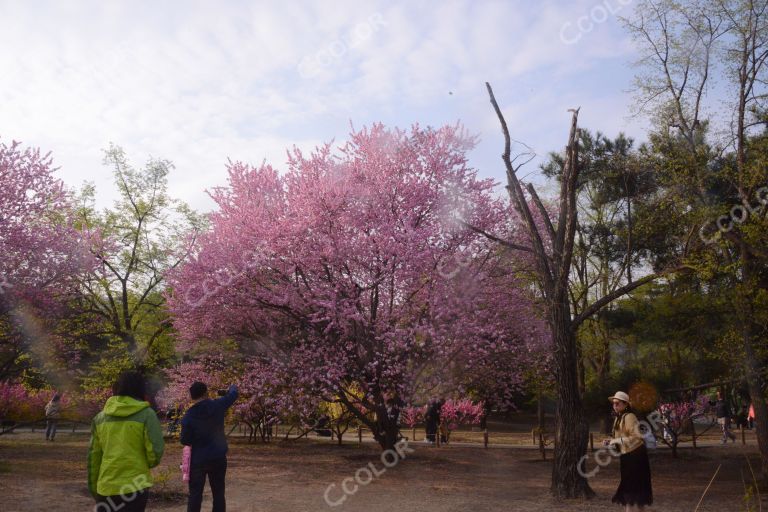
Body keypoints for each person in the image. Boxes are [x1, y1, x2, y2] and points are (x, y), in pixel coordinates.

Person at [88, 371, 165, 512]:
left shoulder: (99, 418)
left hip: (106, 487)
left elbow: (94, 457)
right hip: (135, 485)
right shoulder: (147, 415)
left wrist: (94, 487)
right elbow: (155, 452)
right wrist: (142, 464)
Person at [181, 382, 238, 512]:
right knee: (218, 493)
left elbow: (185, 440)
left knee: (195, 495)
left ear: (192, 397)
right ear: (206, 393)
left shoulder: (188, 416)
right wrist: (231, 388)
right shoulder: (218, 405)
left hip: (198, 460)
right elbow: (234, 394)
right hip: (218, 457)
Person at [603, 391, 653, 511]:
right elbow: (620, 437)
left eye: (617, 403)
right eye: (613, 403)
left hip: (636, 457)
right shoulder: (619, 418)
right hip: (627, 456)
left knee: (632, 490)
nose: (614, 406)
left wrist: (615, 441)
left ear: (625, 404)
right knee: (632, 490)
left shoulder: (629, 416)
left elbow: (636, 437)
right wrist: (611, 441)